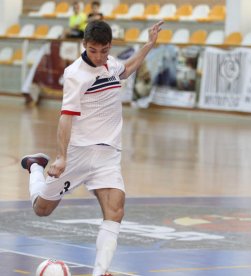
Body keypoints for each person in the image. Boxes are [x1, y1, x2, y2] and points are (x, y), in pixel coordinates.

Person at [20, 20, 163, 276]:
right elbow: (66, 117)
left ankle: (101, 271)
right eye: (94, 50)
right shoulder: (76, 75)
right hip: (78, 155)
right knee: (42, 209)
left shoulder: (111, 64)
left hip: (108, 155)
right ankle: (35, 167)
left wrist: (148, 45)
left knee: (116, 210)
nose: (99, 56)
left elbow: (127, 68)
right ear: (84, 45)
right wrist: (61, 157)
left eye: (105, 50)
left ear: (110, 46)